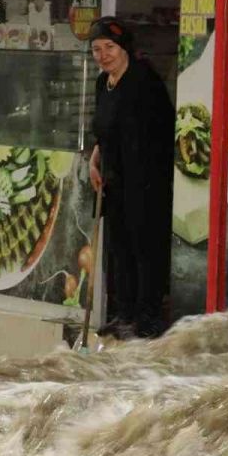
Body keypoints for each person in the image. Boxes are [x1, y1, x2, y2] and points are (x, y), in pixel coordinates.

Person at [87, 17, 175, 339]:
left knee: (145, 247)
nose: (103, 55)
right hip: (115, 178)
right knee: (119, 246)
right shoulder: (103, 83)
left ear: (124, 48)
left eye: (109, 47)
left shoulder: (144, 82)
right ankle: (123, 313)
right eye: (96, 49)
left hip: (146, 180)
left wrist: (145, 176)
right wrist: (95, 160)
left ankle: (147, 316)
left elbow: (162, 133)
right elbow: (104, 130)